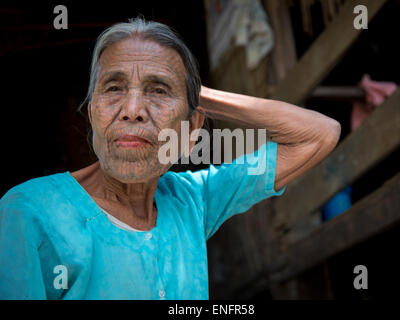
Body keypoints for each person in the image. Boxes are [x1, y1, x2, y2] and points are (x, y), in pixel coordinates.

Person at [0, 18, 340, 299]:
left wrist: (199, 95)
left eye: (158, 90)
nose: (132, 111)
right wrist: (175, 91)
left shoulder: (193, 200)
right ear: (92, 115)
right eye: (114, 88)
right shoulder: (28, 212)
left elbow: (318, 134)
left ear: (192, 129)